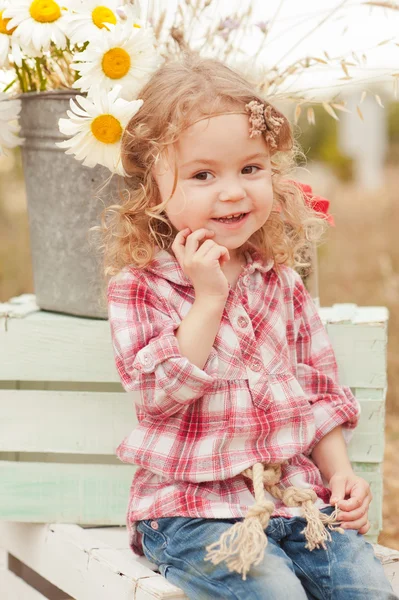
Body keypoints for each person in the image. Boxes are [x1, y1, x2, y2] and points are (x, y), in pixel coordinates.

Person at [103, 53, 396, 599]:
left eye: (251, 168)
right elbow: (157, 393)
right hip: (191, 512)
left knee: (368, 590)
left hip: (295, 502)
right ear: (153, 189)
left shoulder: (280, 281)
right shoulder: (141, 287)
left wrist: (340, 476)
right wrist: (208, 297)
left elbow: (317, 389)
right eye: (203, 175)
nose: (233, 190)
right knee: (274, 592)